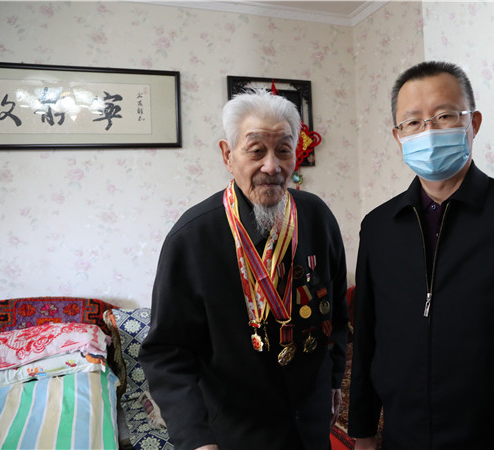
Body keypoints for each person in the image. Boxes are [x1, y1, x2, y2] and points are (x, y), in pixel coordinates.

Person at [348, 61, 494, 449]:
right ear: (398, 135)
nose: (428, 131)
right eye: (413, 122)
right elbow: (367, 337)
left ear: (473, 123)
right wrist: (362, 429)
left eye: (444, 116)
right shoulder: (378, 227)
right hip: (403, 436)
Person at [140, 89, 349, 450]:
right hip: (237, 430)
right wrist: (195, 438)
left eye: (283, 150)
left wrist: (333, 379)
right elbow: (167, 352)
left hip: (312, 420)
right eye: (256, 150)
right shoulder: (192, 237)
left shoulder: (316, 216)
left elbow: (337, 312)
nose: (272, 166)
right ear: (228, 155)